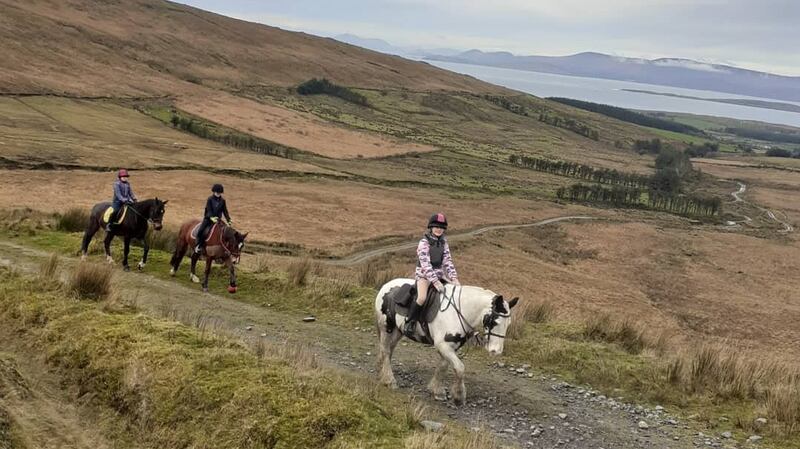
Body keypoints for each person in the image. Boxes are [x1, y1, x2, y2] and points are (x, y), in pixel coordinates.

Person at [404, 212, 460, 336]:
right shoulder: (424, 243)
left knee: (454, 293)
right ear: (431, 227)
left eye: (441, 228)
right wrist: (434, 281)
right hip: (424, 275)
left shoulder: (444, 243)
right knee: (422, 298)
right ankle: (410, 321)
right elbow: (425, 265)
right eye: (436, 227)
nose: (439, 230)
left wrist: (454, 277)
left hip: (439, 275)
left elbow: (447, 261)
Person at [195, 183, 232, 254]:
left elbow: (225, 211)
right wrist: (211, 217)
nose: (218, 194)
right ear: (214, 191)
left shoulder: (223, 201)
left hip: (218, 220)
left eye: (220, 193)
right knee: (201, 230)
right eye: (217, 192)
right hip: (208, 219)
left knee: (225, 232)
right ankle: (198, 245)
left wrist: (228, 219)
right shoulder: (210, 199)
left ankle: (225, 249)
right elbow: (209, 210)